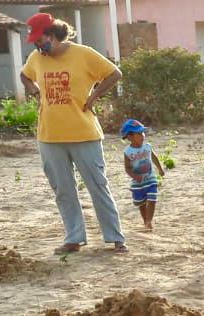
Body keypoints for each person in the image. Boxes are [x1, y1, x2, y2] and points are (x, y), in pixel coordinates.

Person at [19, 13, 126, 255]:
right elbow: (24, 75)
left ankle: (115, 238)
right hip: (49, 136)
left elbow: (114, 73)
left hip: (84, 133)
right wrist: (34, 90)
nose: (38, 45)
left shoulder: (83, 53)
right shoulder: (36, 57)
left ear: (53, 34)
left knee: (98, 186)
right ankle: (74, 238)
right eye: (34, 42)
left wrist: (94, 96)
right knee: (63, 190)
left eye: (40, 40)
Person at [120, 120, 164, 230]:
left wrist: (160, 169)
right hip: (137, 183)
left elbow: (154, 158)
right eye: (139, 133)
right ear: (129, 136)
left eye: (143, 133)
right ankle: (145, 221)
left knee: (152, 199)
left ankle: (149, 221)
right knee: (141, 204)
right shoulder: (128, 152)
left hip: (151, 179)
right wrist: (135, 176)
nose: (143, 135)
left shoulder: (147, 147)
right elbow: (127, 168)